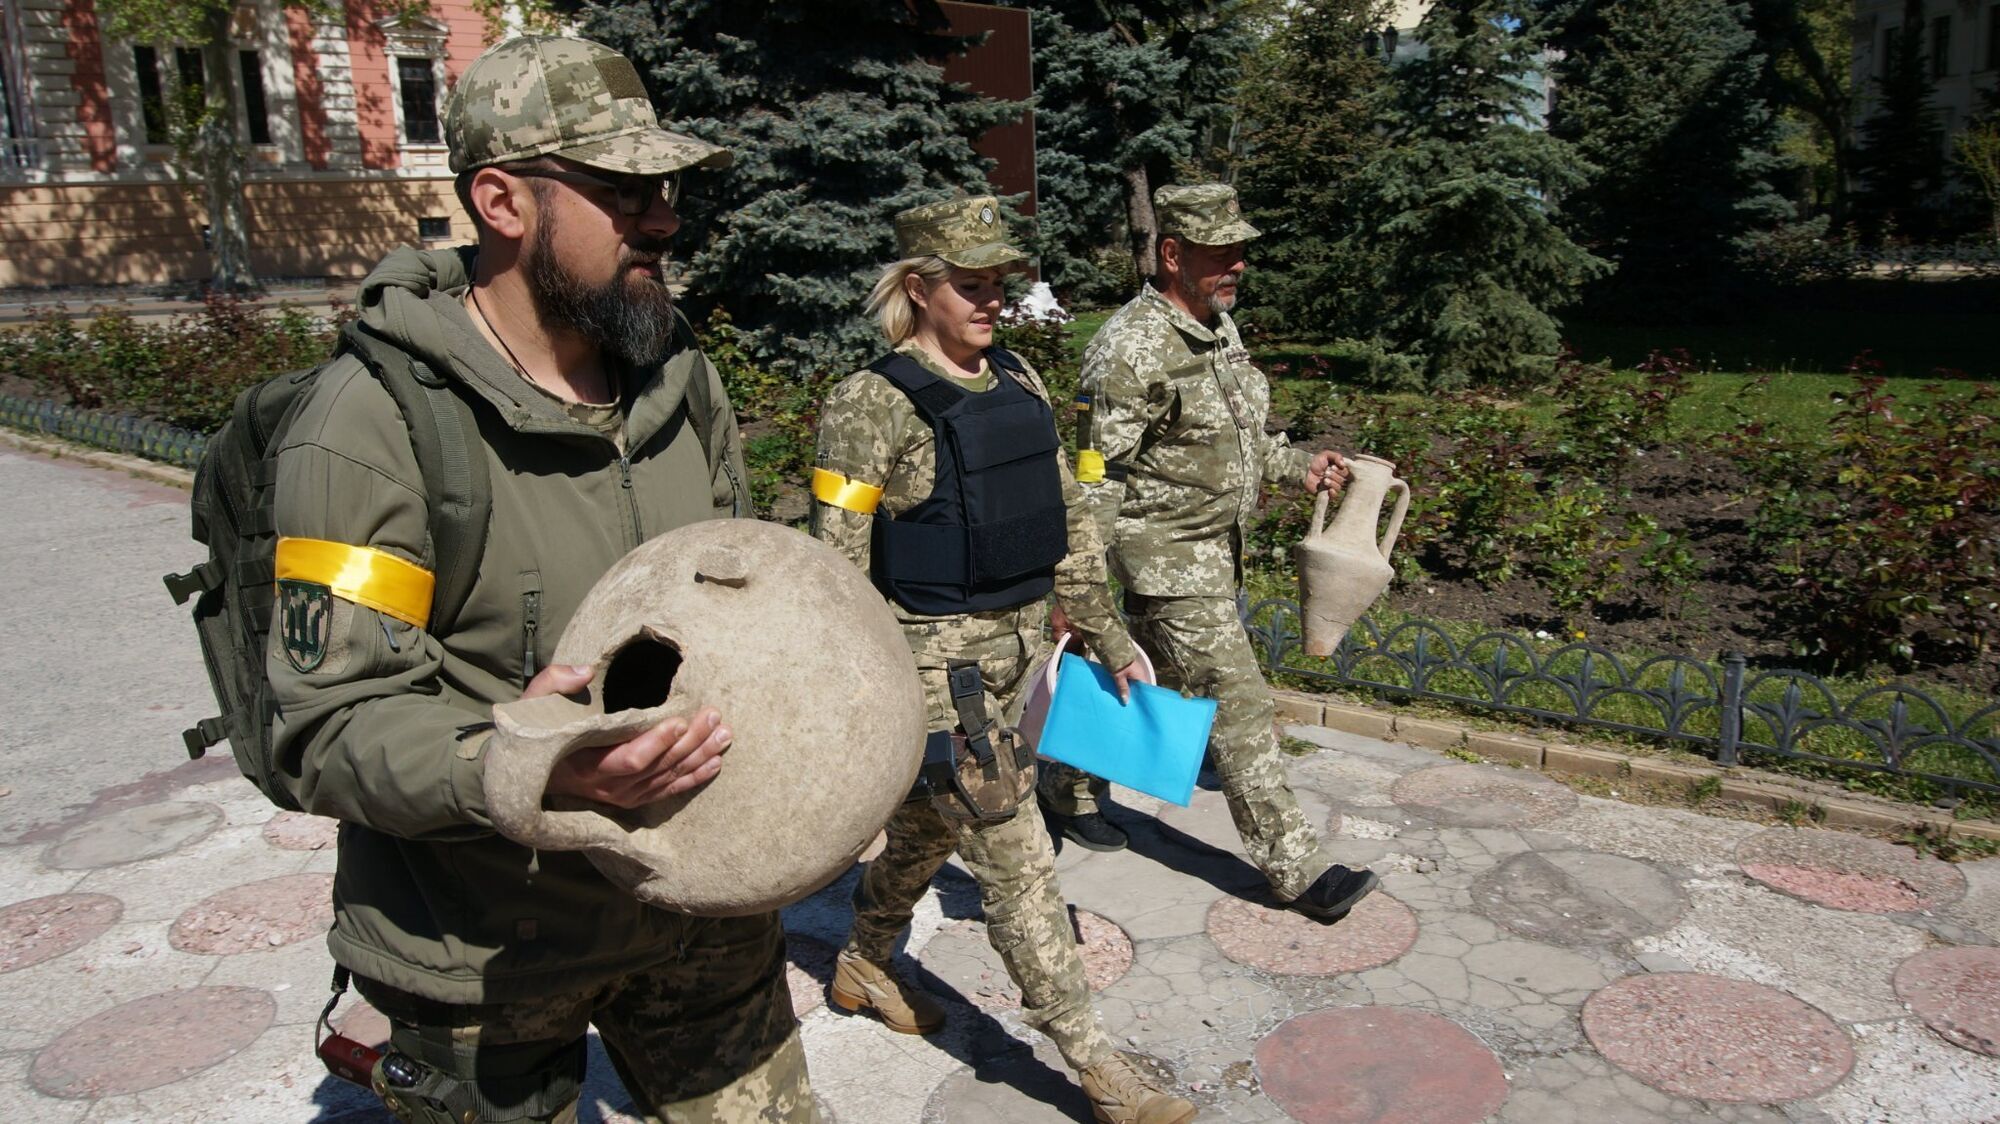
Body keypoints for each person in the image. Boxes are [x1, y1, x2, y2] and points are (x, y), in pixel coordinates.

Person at [267, 37, 817, 1122]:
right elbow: (327, 728)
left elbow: (735, 610)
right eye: (621, 190)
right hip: (482, 953)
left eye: (661, 188)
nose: (660, 216)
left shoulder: (680, 382)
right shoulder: (367, 425)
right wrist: (534, 767)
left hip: (697, 918)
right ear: (501, 200)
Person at [809, 195, 1198, 1124]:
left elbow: (1063, 528)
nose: (992, 302)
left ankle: (864, 958)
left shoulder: (1017, 379)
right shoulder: (870, 402)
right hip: (936, 676)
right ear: (917, 289)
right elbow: (835, 564)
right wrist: (853, 698)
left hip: (1022, 658)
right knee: (1018, 861)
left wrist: (1109, 638)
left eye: (999, 284)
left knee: (927, 831)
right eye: (971, 285)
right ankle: (1097, 1066)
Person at [1047, 183, 1380, 924]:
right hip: (1164, 559)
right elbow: (1098, 475)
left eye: (1240, 254)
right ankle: (1296, 869)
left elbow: (1243, 439)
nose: (1235, 267)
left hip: (1214, 553)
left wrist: (1301, 467)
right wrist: (1081, 584)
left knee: (1144, 677)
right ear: (1172, 254)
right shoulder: (1131, 350)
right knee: (1239, 705)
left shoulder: (1218, 330)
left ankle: (1065, 785)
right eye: (1218, 254)